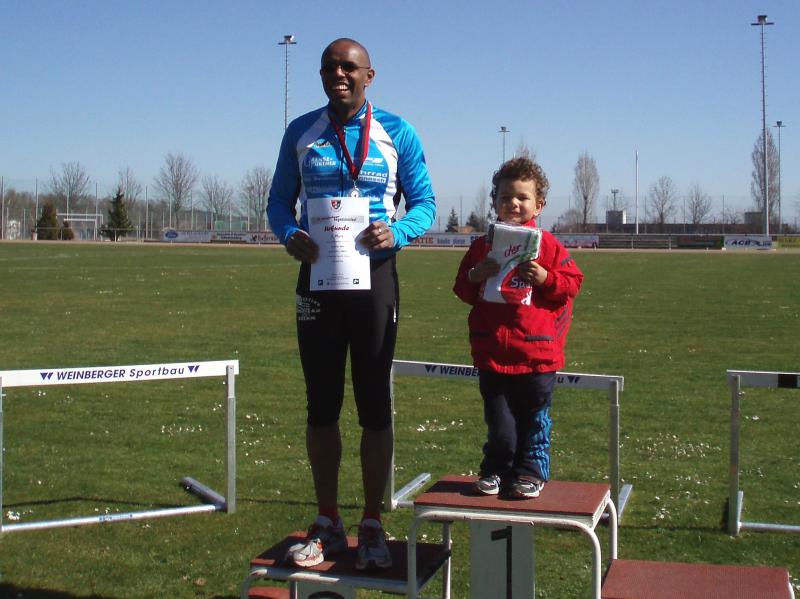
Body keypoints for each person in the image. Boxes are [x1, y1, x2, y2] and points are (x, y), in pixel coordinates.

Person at [267, 38, 435, 570]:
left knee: (374, 405)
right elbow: (277, 203)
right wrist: (289, 234)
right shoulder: (301, 132)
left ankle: (373, 524)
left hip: (374, 280)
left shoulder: (398, 132)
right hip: (317, 278)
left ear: (369, 75)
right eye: (329, 68)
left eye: (348, 67)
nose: (338, 75)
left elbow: (425, 202)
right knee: (321, 404)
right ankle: (327, 522)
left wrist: (398, 231)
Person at [453, 157, 583, 499]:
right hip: (492, 352)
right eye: (506, 197)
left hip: (537, 353)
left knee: (534, 421)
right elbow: (462, 289)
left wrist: (546, 278)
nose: (513, 203)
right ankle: (495, 470)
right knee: (500, 424)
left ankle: (530, 473)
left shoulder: (549, 246)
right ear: (494, 202)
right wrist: (476, 275)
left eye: (522, 197)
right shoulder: (482, 247)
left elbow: (572, 284)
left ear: (539, 205)